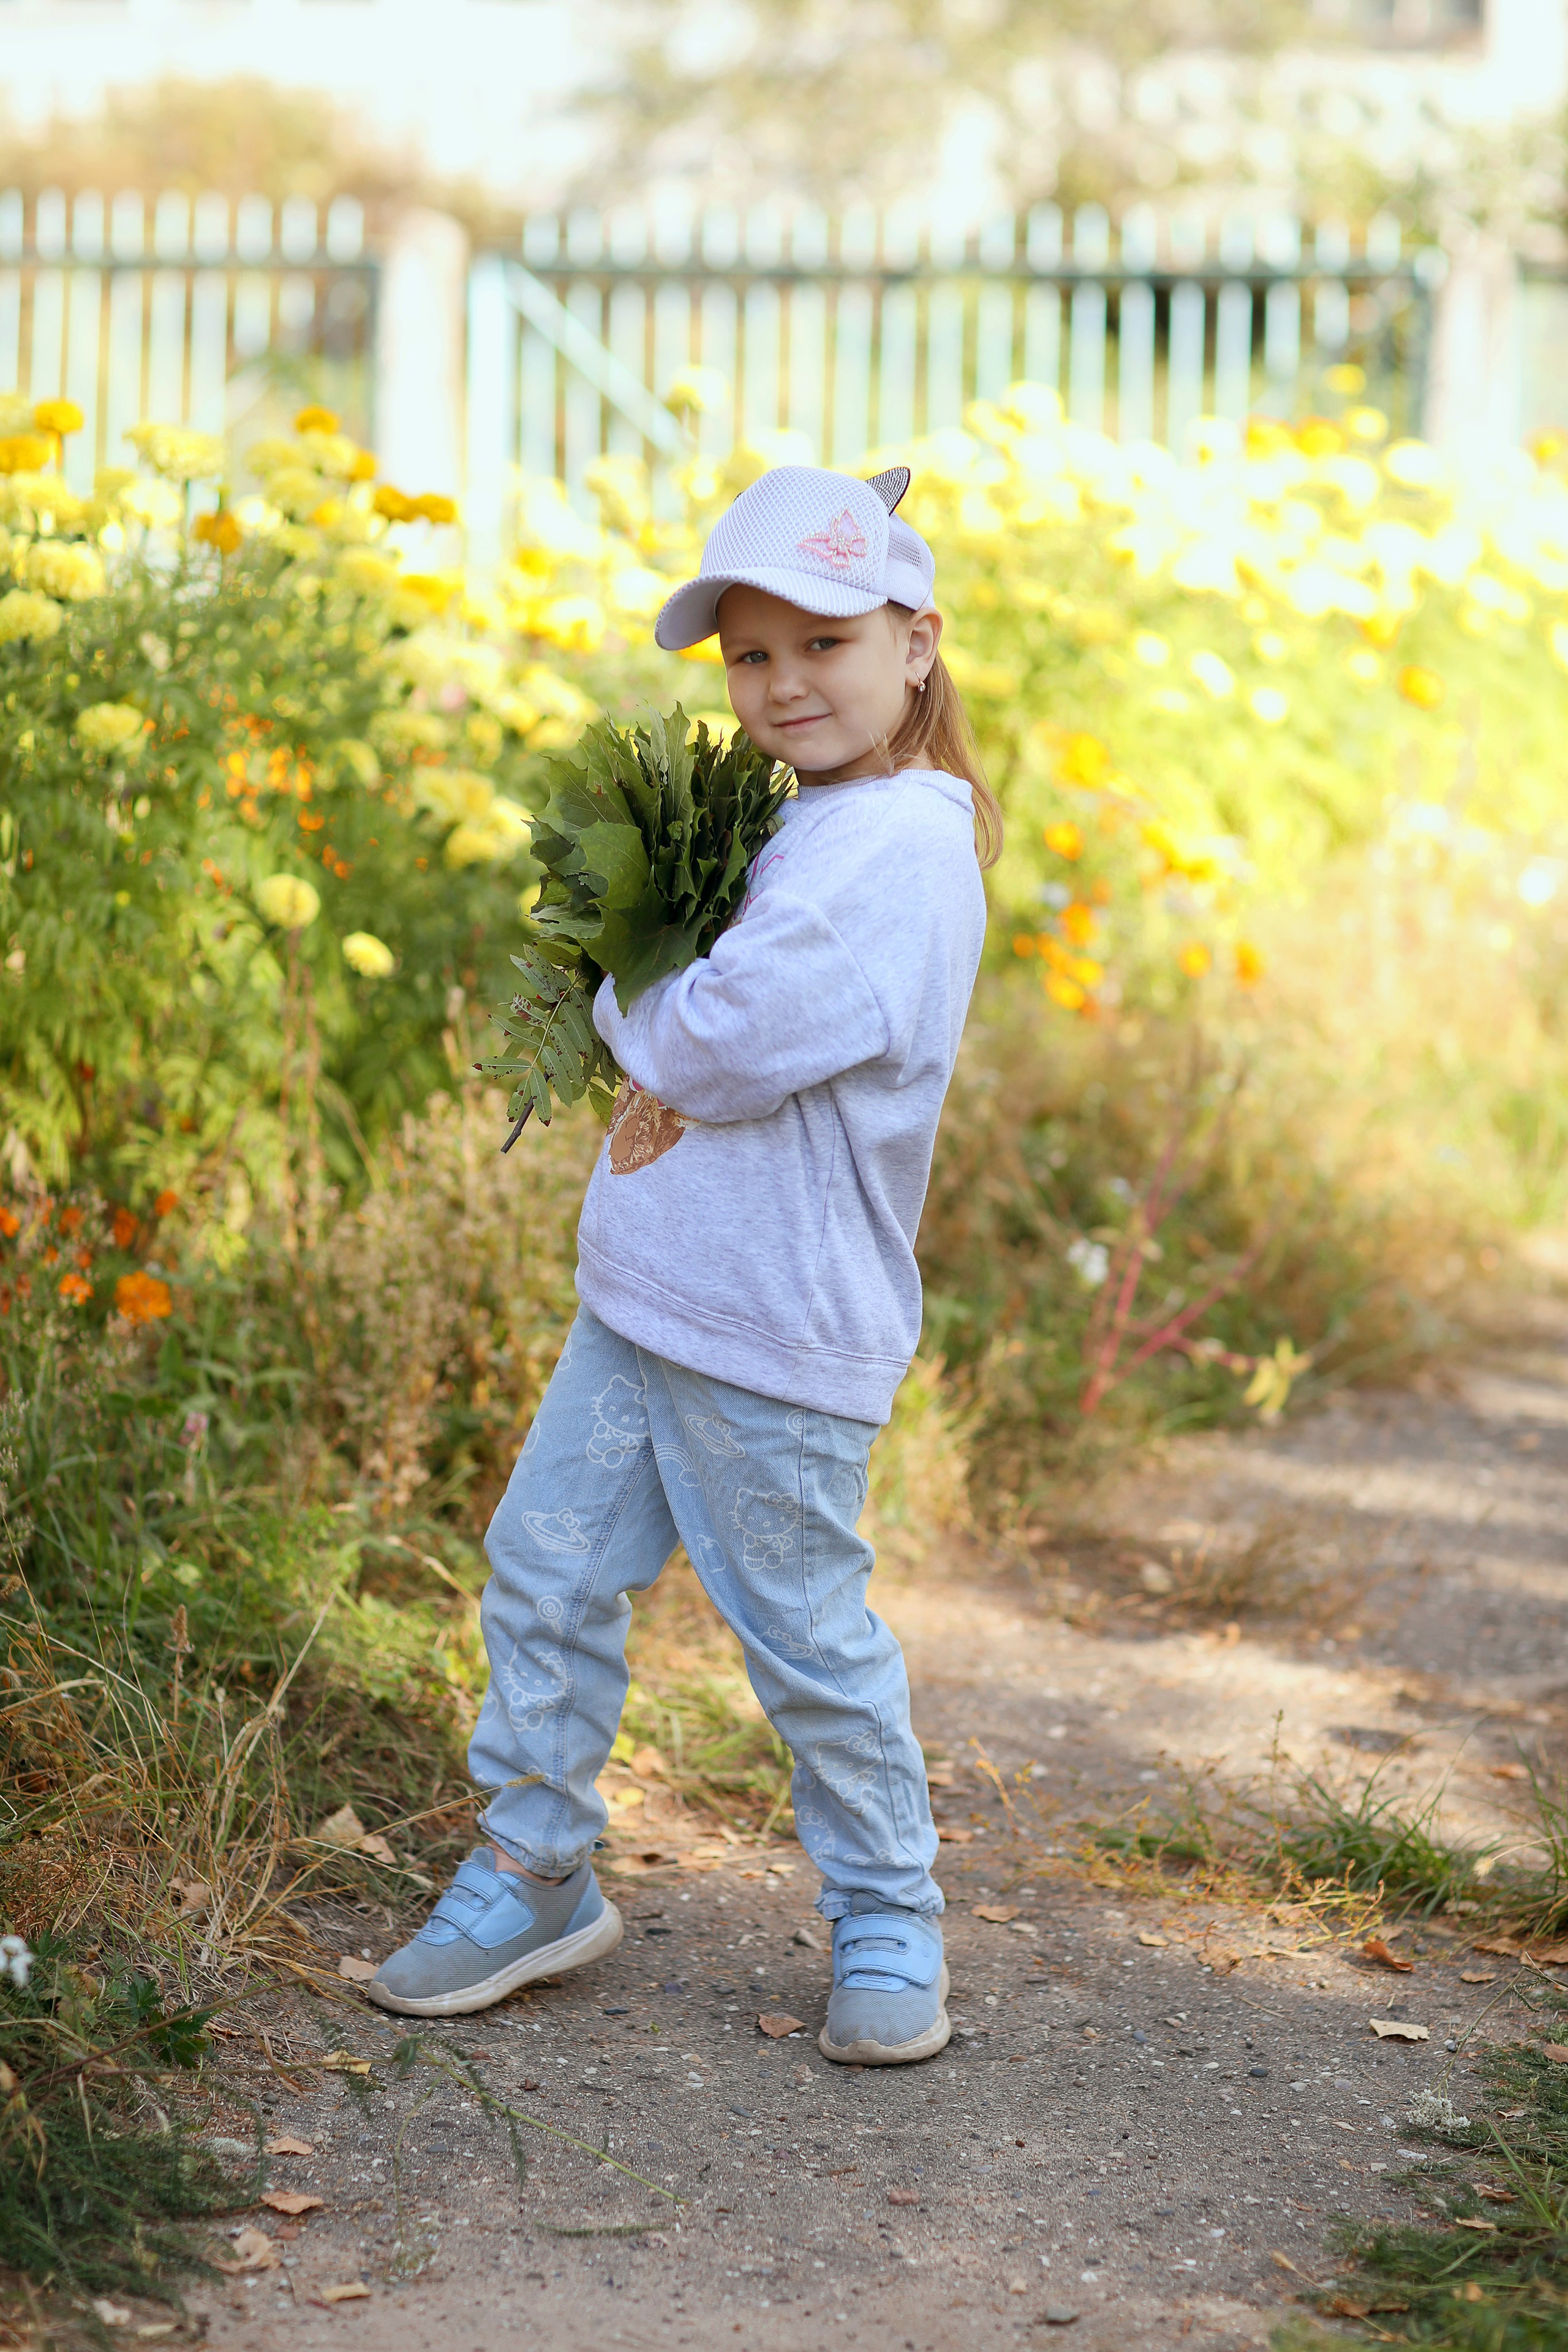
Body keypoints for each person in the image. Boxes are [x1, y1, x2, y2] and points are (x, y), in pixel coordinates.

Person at [368, 463, 1001, 2065]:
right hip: (649, 1295)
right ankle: (534, 1868)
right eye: (749, 655)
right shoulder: (814, 821)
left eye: (825, 644)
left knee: (804, 1641)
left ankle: (888, 1913)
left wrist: (614, 997)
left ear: (916, 643)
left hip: (775, 1332)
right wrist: (658, 1006)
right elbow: (720, 1031)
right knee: (547, 1573)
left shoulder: (907, 854)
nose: (784, 684)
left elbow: (721, 1040)